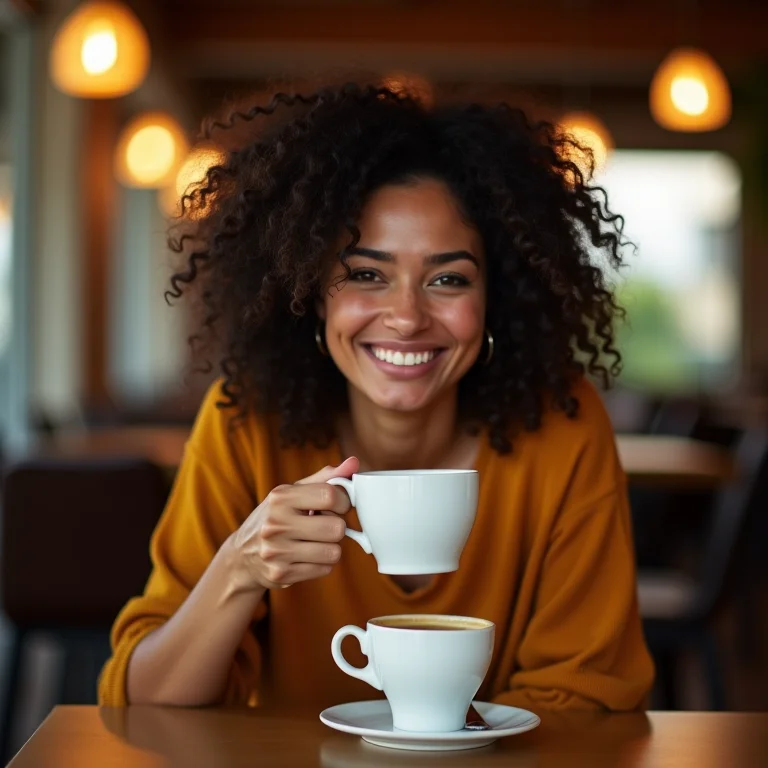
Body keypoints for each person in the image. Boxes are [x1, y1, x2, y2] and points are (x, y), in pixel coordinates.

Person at [98, 81, 654, 712]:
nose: (407, 317)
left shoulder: (563, 427)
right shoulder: (246, 419)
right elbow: (145, 702)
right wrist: (238, 571)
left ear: (497, 298)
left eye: (448, 278)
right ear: (309, 291)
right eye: (366, 274)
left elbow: (587, 698)